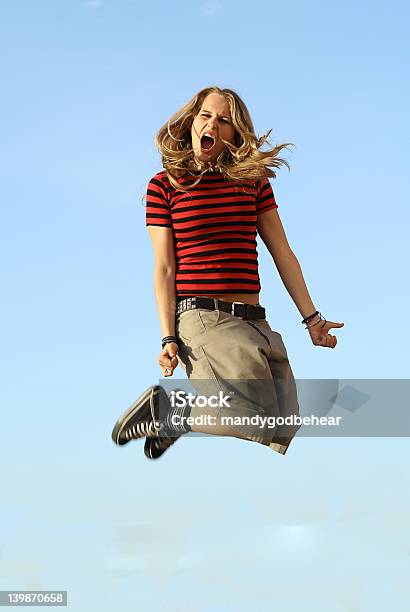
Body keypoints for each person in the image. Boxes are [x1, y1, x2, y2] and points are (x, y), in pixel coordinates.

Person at [111, 86, 344, 460]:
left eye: (224, 121)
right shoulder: (165, 185)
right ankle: (165, 411)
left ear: (234, 135)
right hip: (203, 317)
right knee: (248, 417)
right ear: (191, 122)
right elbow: (164, 267)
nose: (213, 125)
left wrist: (312, 318)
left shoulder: (252, 183)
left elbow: (282, 252)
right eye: (206, 116)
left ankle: (172, 420)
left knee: (282, 423)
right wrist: (167, 337)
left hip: (254, 321)